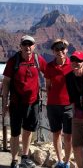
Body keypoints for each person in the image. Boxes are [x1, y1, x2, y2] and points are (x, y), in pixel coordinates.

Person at [2, 35, 47, 168]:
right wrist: (5, 103)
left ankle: (25, 158)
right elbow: (6, 83)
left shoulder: (38, 59)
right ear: (20, 46)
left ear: (34, 46)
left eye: (30, 44)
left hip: (33, 103)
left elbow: (50, 72)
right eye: (25, 44)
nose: (28, 47)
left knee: (28, 131)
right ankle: (14, 161)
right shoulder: (13, 61)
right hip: (16, 103)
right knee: (15, 132)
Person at [45, 39, 73, 168]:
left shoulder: (72, 65)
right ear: (53, 51)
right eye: (57, 49)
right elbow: (48, 85)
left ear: (66, 50)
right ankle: (60, 161)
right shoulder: (49, 66)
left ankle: (67, 162)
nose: (60, 51)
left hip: (69, 106)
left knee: (68, 136)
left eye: (62, 48)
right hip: (53, 105)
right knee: (56, 134)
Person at [65, 51, 83, 168]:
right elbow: (72, 98)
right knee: (76, 146)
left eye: (79, 61)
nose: (75, 63)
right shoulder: (69, 78)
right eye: (73, 61)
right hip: (78, 116)